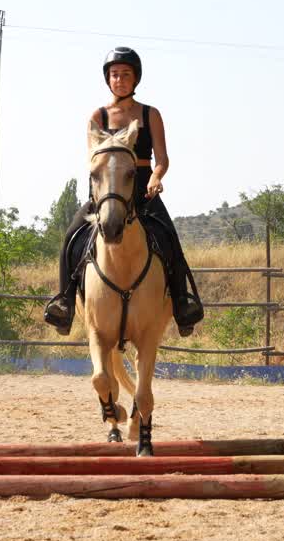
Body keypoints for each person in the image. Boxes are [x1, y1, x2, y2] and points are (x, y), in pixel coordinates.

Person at [43, 47, 204, 336]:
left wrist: (155, 177)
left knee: (169, 235)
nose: (119, 79)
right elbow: (94, 159)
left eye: (125, 74)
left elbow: (162, 159)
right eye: (114, 74)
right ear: (108, 79)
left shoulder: (150, 113)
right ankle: (65, 302)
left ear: (135, 78)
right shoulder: (98, 116)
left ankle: (182, 303)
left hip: (142, 185)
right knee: (71, 237)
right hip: (107, 189)